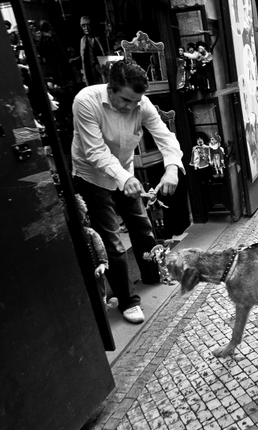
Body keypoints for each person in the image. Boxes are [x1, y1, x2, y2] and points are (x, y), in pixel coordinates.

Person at [71, 59, 185, 324]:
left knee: (142, 226)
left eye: (137, 101)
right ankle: (128, 301)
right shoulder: (85, 101)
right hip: (92, 177)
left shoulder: (140, 103)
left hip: (124, 170)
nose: (132, 107)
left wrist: (172, 167)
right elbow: (95, 151)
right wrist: (123, 177)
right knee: (112, 240)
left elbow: (164, 136)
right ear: (110, 89)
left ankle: (153, 274)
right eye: (126, 100)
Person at [79, 16, 106, 86]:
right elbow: (83, 57)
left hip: (98, 67)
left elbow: (102, 52)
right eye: (84, 26)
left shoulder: (97, 39)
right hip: (89, 68)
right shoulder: (83, 40)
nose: (86, 28)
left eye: (88, 26)